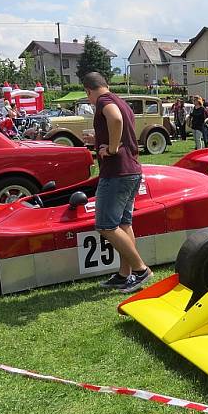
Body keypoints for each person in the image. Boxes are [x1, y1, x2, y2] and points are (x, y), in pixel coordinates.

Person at [81, 72, 151, 293]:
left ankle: (141, 270)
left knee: (105, 226)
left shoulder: (104, 101)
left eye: (88, 97)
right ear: (106, 84)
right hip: (131, 170)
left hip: (116, 173)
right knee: (123, 224)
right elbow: (121, 124)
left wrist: (111, 149)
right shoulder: (120, 101)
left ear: (89, 90)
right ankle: (124, 274)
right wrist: (99, 140)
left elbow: (116, 119)